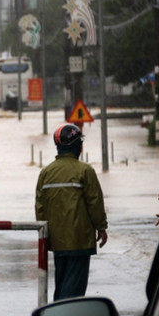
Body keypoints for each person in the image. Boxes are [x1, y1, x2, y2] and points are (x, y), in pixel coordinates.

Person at [35, 124, 108, 301]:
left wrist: (46, 237)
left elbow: (40, 209)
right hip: (80, 240)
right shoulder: (85, 171)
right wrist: (102, 228)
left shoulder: (45, 173)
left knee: (62, 285)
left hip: (57, 241)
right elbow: (95, 203)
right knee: (74, 291)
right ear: (78, 146)